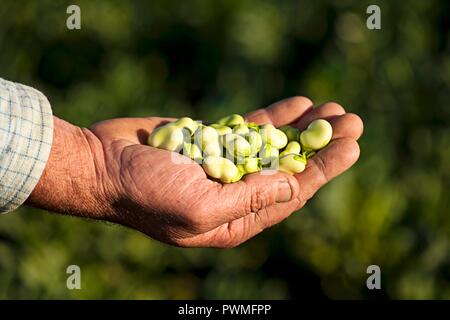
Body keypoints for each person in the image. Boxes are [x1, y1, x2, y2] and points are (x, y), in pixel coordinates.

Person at [0, 77, 363, 248]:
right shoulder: (239, 145)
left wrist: (94, 159)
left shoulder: (252, 146)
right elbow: (228, 137)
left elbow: (230, 136)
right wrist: (97, 166)